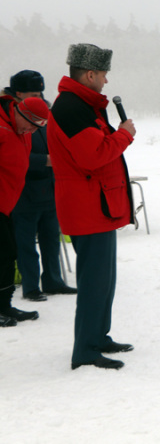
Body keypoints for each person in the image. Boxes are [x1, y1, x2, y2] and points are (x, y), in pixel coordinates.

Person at [49, 43, 136, 370]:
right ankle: (85, 349)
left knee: (105, 280)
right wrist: (125, 135)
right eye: (102, 74)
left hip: (97, 206)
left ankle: (98, 336)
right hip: (87, 208)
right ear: (89, 74)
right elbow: (93, 155)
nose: (105, 81)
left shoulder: (84, 105)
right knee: (94, 282)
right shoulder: (71, 108)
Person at [4, 71, 77, 302]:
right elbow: (12, 157)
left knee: (51, 238)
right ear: (18, 94)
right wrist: (45, 160)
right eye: (34, 93)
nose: (40, 96)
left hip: (50, 189)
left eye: (40, 92)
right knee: (25, 243)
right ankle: (31, 286)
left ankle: (53, 281)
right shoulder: (10, 119)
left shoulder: (44, 113)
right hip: (24, 193)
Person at [0, 94, 50, 326]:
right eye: (32, 125)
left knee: (9, 255)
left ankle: (4, 305)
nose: (32, 131)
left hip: (9, 203)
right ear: (22, 114)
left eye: (38, 127)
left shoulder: (21, 131)